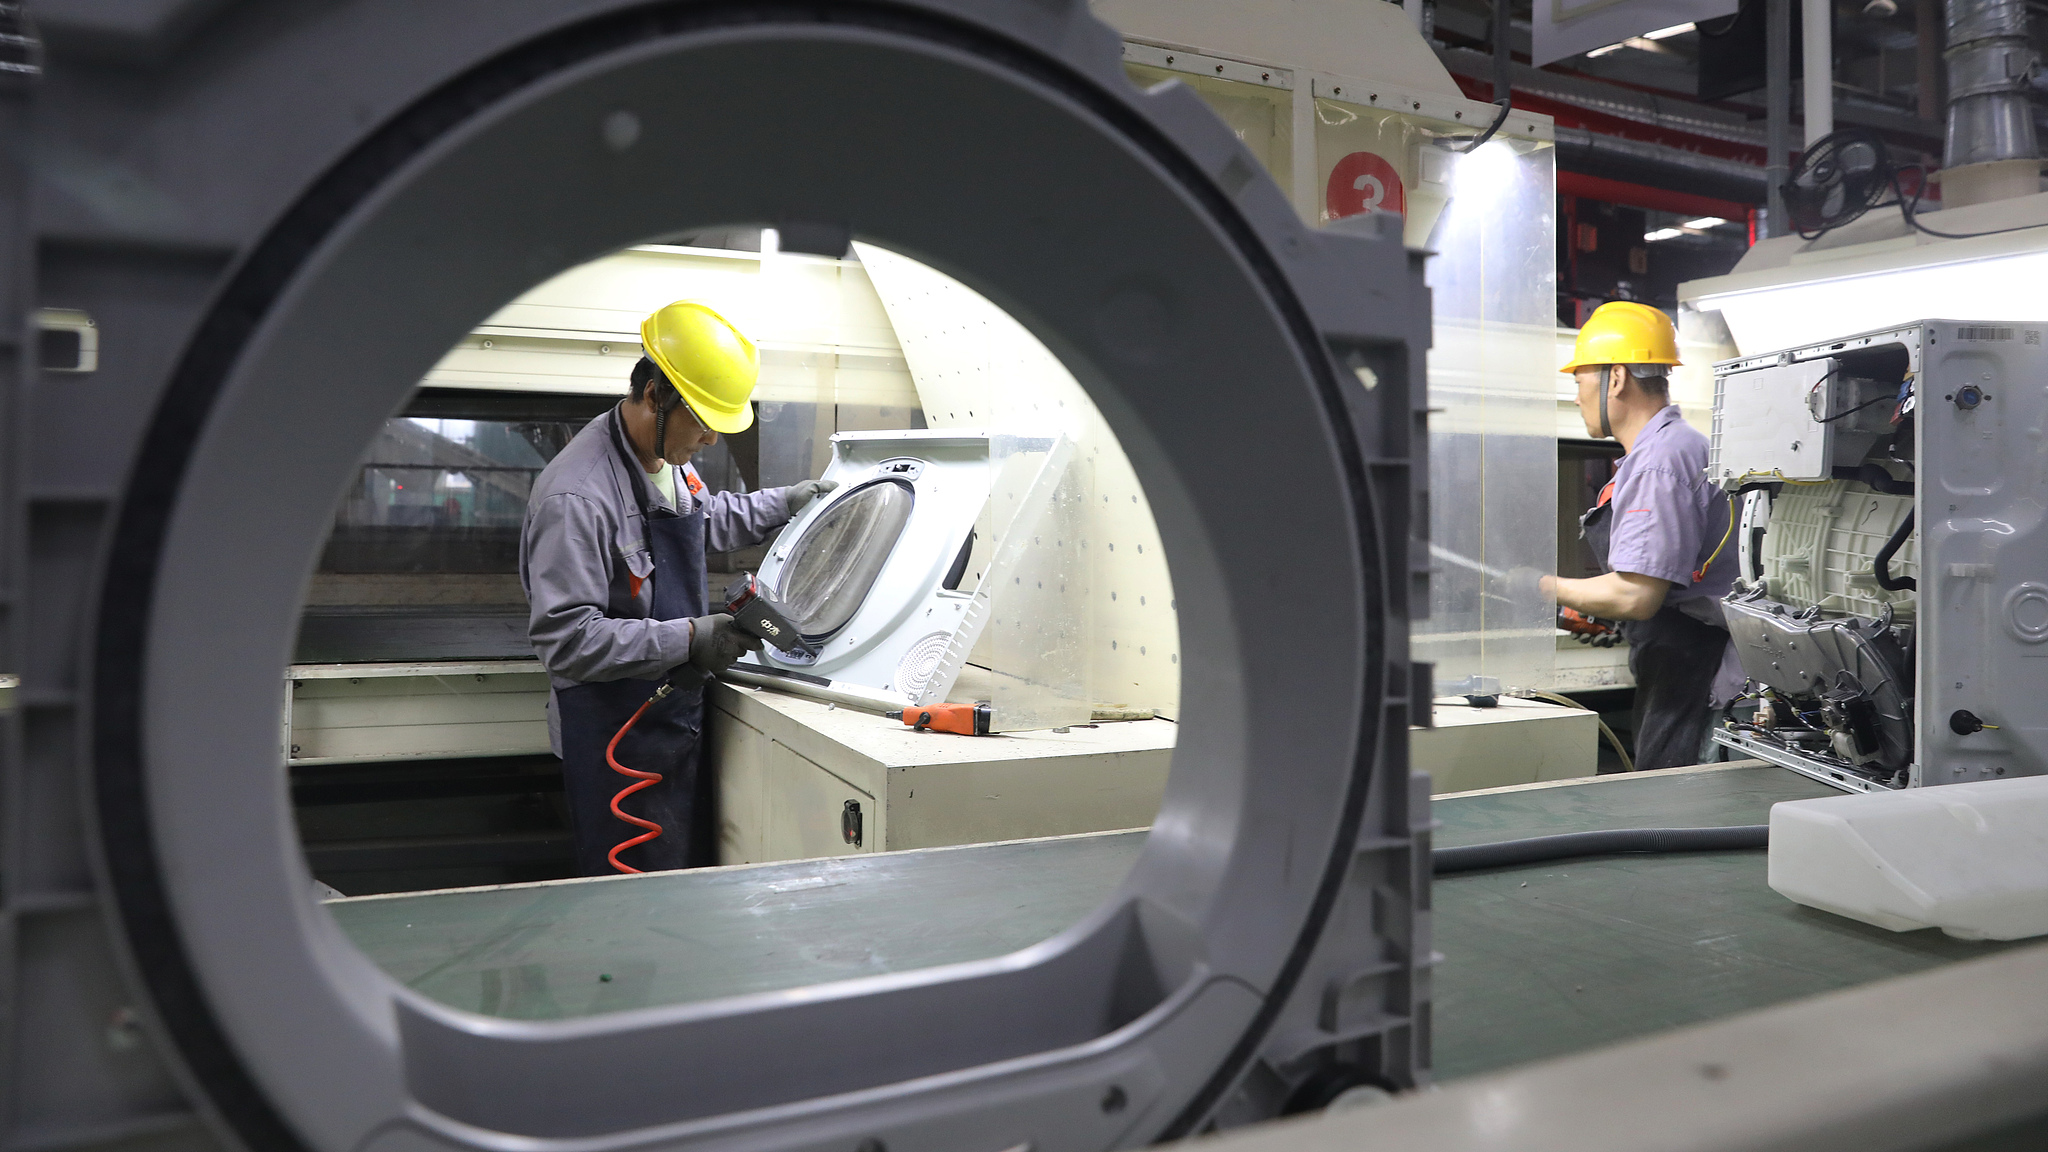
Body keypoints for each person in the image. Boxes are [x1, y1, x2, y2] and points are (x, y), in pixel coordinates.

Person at [520, 300, 837, 874]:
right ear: (653, 396)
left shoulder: (664, 457)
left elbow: (703, 517)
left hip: (670, 716)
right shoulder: (577, 498)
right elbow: (568, 640)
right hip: (613, 736)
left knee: (677, 890)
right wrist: (690, 636)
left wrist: (784, 503)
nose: (713, 438)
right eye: (702, 417)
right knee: (630, 904)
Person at [1541, 301, 1741, 772]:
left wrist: (1541, 587)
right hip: (1676, 661)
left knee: (1675, 819)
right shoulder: (1661, 453)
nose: (1575, 396)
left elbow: (1636, 595)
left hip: (1697, 673)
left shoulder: (1662, 461)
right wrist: (1583, 607)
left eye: (1579, 380)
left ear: (1616, 379)